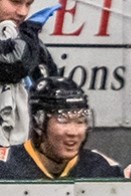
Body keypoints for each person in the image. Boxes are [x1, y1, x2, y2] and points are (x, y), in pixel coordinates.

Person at [0, 76, 122, 179]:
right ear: (39, 122)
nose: (73, 132)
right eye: (63, 120)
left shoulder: (102, 169)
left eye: (80, 121)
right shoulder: (5, 167)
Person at [1, 1, 58, 145]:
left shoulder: (28, 42)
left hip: (22, 153)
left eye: (28, 4)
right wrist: (29, 33)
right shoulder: (27, 40)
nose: (23, 12)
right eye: (15, 2)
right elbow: (14, 65)